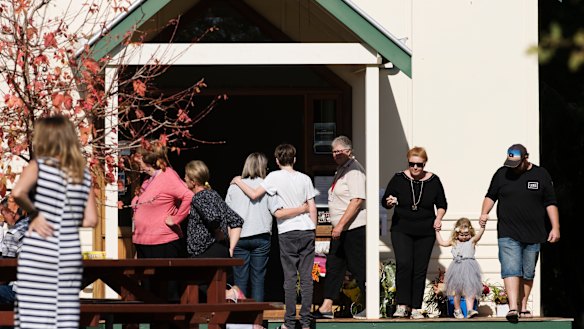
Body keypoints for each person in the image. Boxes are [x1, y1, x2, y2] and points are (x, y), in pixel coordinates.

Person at [11, 115, 98, 329]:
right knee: (64, 312)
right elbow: (91, 219)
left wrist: (35, 213)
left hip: (40, 248)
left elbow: (18, 192)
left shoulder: (40, 166)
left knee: (34, 313)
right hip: (68, 250)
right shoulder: (82, 174)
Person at [231, 144, 317, 329]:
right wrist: (312, 226)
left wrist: (238, 181)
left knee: (289, 278)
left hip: (285, 231)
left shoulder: (273, 178)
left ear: (277, 161)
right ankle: (305, 322)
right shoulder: (305, 178)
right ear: (294, 159)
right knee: (305, 278)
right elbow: (312, 206)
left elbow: (254, 196)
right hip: (304, 231)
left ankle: (286, 322)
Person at [479, 144, 560, 322]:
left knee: (528, 272)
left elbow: (550, 202)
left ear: (526, 158)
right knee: (511, 268)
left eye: (516, 163)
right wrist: (484, 212)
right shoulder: (502, 174)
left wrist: (555, 227)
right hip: (508, 231)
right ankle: (513, 307)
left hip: (535, 232)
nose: (512, 168)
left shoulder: (541, 175)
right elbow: (490, 195)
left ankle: (523, 307)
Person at [381, 146, 447, 319]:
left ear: (425, 164)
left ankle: (416, 307)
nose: (416, 168)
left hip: (425, 231)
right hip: (402, 229)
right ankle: (402, 305)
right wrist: (390, 201)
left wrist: (438, 218)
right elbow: (385, 200)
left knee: (419, 268)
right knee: (404, 264)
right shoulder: (398, 178)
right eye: (412, 164)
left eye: (419, 165)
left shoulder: (434, 180)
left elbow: (442, 204)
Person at [312, 136, 367, 320]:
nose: (336, 154)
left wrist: (341, 225)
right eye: (334, 151)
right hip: (340, 230)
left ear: (349, 151)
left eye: (339, 151)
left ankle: (370, 304)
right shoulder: (342, 170)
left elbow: (357, 200)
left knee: (359, 267)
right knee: (334, 266)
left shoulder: (354, 171)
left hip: (353, 228)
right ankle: (326, 306)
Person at [225, 152, 280, 302]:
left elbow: (227, 215)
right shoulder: (267, 186)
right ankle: (257, 322)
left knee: (240, 280)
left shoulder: (234, 187)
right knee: (258, 280)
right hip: (261, 236)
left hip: (239, 237)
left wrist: (230, 241)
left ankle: (240, 321)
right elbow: (275, 210)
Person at [131, 141, 193, 259]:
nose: (137, 161)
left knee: (162, 277)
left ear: (148, 159)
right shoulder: (148, 180)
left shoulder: (168, 176)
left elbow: (189, 196)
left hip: (162, 243)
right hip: (143, 242)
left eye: (139, 157)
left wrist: (176, 219)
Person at [435, 217, 485, 319]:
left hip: (470, 267)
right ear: (457, 233)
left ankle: (470, 309)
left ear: (470, 233)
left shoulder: (472, 241)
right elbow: (442, 242)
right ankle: (457, 310)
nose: (464, 237)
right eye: (461, 235)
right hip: (457, 267)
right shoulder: (454, 242)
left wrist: (482, 227)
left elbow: (479, 235)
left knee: (470, 289)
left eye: (467, 234)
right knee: (456, 290)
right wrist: (437, 231)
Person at [0, 195, 30, 305]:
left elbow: (5, 273)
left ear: (11, 211)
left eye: (3, 212)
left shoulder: (13, 234)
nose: (3, 217)